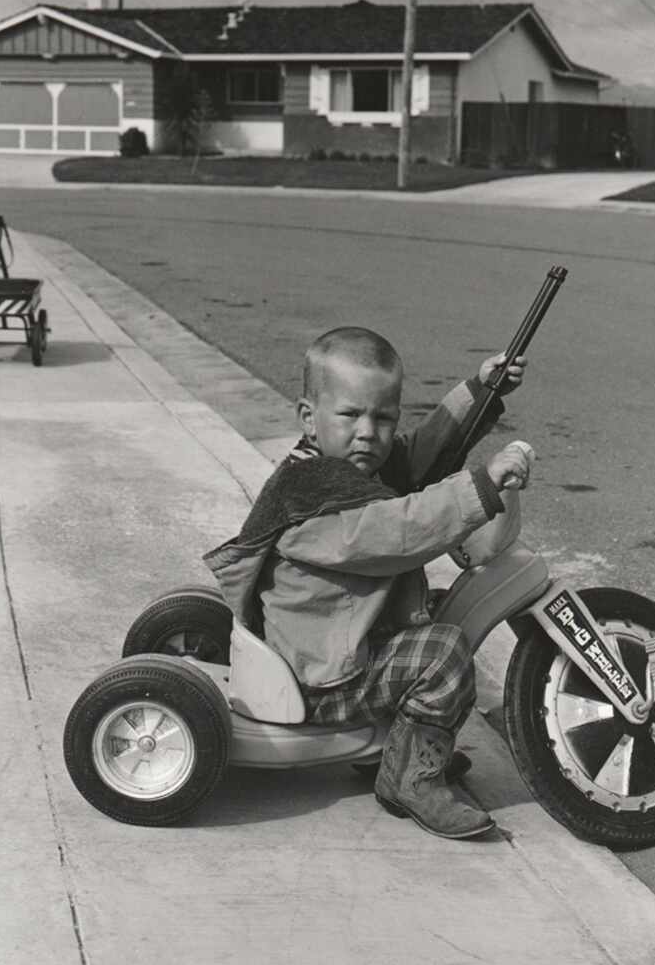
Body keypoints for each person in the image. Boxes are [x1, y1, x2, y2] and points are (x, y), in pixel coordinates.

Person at [204, 327, 533, 840]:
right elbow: (401, 529)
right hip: (321, 678)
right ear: (309, 418)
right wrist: (482, 487)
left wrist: (479, 392)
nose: (368, 432)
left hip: (336, 644)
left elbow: (418, 455)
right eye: (350, 415)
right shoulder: (313, 500)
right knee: (444, 651)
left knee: (440, 613)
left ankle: (398, 745)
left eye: (383, 417)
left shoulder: (339, 467)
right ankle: (407, 777)